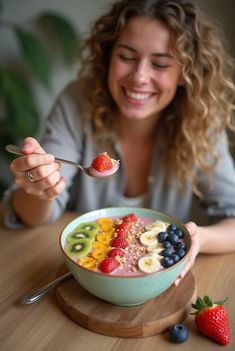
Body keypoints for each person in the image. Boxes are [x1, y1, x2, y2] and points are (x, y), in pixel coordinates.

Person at [4, 0, 235, 286]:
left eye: (161, 64)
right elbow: (33, 215)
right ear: (107, 55)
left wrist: (199, 237)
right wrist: (39, 188)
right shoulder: (76, 101)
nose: (139, 77)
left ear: (185, 73)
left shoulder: (201, 120)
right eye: (127, 56)